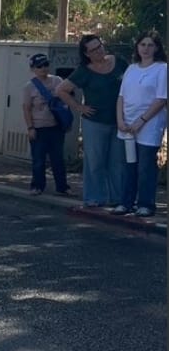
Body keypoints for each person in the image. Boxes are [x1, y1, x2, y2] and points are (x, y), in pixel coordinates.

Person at [55, 33, 129, 208]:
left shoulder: (119, 63)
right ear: (87, 53)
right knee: (95, 161)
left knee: (117, 161)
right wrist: (79, 107)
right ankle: (94, 197)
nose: (99, 51)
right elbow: (61, 90)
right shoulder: (84, 71)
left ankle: (117, 198)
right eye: (94, 50)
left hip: (118, 119)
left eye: (100, 46)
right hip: (95, 121)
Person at [114, 31, 167, 217]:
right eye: (143, 44)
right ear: (137, 47)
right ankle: (126, 202)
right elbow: (121, 97)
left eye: (150, 45)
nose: (146, 48)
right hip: (127, 126)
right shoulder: (131, 69)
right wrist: (120, 120)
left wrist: (141, 121)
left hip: (149, 125)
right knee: (128, 165)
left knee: (145, 166)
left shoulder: (161, 69)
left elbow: (160, 99)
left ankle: (146, 204)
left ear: (157, 48)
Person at [22, 53, 71, 196]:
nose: (43, 68)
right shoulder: (29, 87)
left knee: (58, 159)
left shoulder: (57, 81)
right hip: (39, 127)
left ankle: (62, 186)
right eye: (39, 66)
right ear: (33, 69)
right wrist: (30, 127)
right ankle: (37, 185)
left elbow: (66, 98)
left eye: (46, 65)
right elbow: (26, 108)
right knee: (38, 159)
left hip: (55, 126)